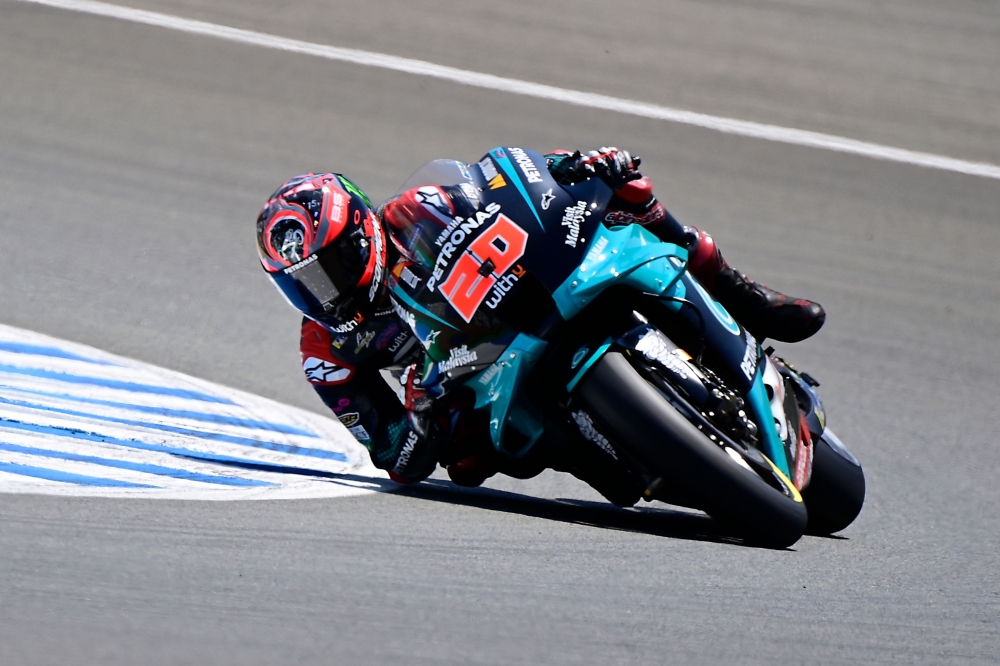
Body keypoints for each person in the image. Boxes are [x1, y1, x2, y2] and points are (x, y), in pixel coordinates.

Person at [255, 148, 825, 501]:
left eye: (329, 270)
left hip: (525, 297)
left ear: (363, 232)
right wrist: (419, 418)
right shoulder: (323, 351)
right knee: (469, 465)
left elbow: (502, 185)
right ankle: (620, 449)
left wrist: (570, 167)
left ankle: (741, 295)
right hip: (466, 379)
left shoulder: (416, 209)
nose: (321, 293)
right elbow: (391, 454)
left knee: (628, 194)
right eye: (301, 285)